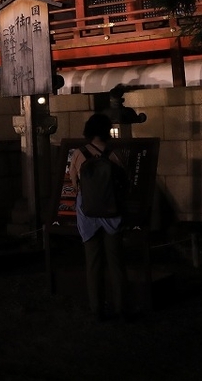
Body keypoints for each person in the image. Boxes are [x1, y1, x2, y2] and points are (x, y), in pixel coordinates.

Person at [68, 112, 129, 321]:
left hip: (88, 214)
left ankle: (97, 309)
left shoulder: (79, 154)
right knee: (116, 262)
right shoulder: (114, 155)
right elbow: (124, 183)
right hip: (112, 214)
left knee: (93, 263)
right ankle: (121, 308)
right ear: (106, 131)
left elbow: (74, 184)